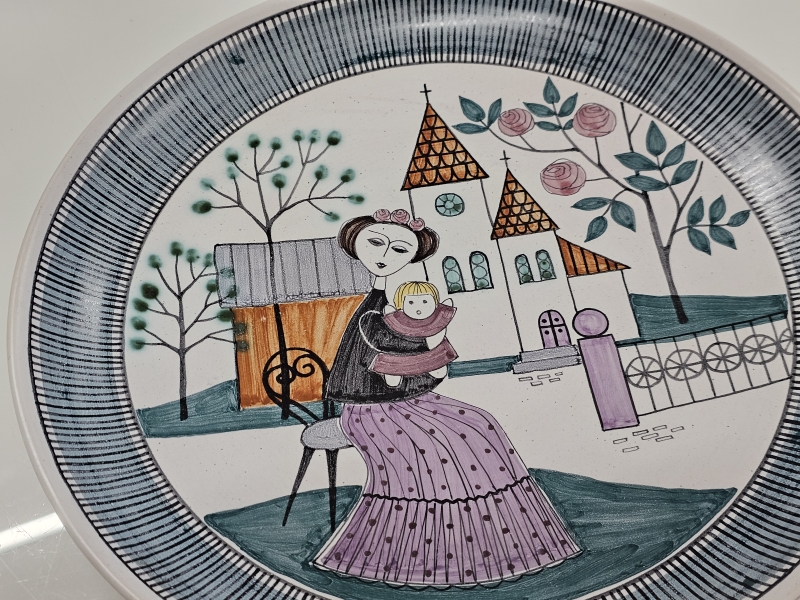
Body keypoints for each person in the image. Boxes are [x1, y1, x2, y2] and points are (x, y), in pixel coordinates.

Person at [313, 209, 580, 587]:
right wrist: (423, 362)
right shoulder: (371, 310)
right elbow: (376, 361)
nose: (385, 254)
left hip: (404, 401)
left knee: (481, 423)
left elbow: (409, 351)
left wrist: (431, 352)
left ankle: (509, 544)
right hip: (371, 409)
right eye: (375, 242)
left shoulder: (395, 300)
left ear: (412, 256)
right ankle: (404, 557)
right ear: (355, 243)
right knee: (440, 449)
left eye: (399, 248)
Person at [373, 280, 458, 384]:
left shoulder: (438, 318)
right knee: (393, 377)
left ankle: (432, 367)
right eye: (411, 302)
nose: (419, 308)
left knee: (439, 371)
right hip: (401, 357)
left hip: (430, 355)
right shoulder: (397, 320)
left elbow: (435, 341)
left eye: (425, 301)